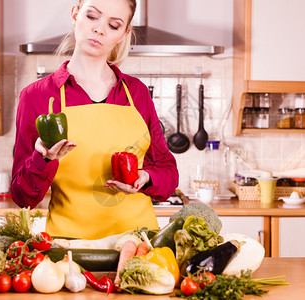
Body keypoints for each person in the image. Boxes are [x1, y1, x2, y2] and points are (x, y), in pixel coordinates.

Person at [11, 0, 179, 239]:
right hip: (70, 247)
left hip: (138, 243)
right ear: (75, 15)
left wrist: (145, 177)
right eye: (92, 16)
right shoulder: (37, 96)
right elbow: (22, 197)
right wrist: (43, 158)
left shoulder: (136, 92)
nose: (100, 29)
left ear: (123, 34)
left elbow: (167, 171)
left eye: (113, 25)